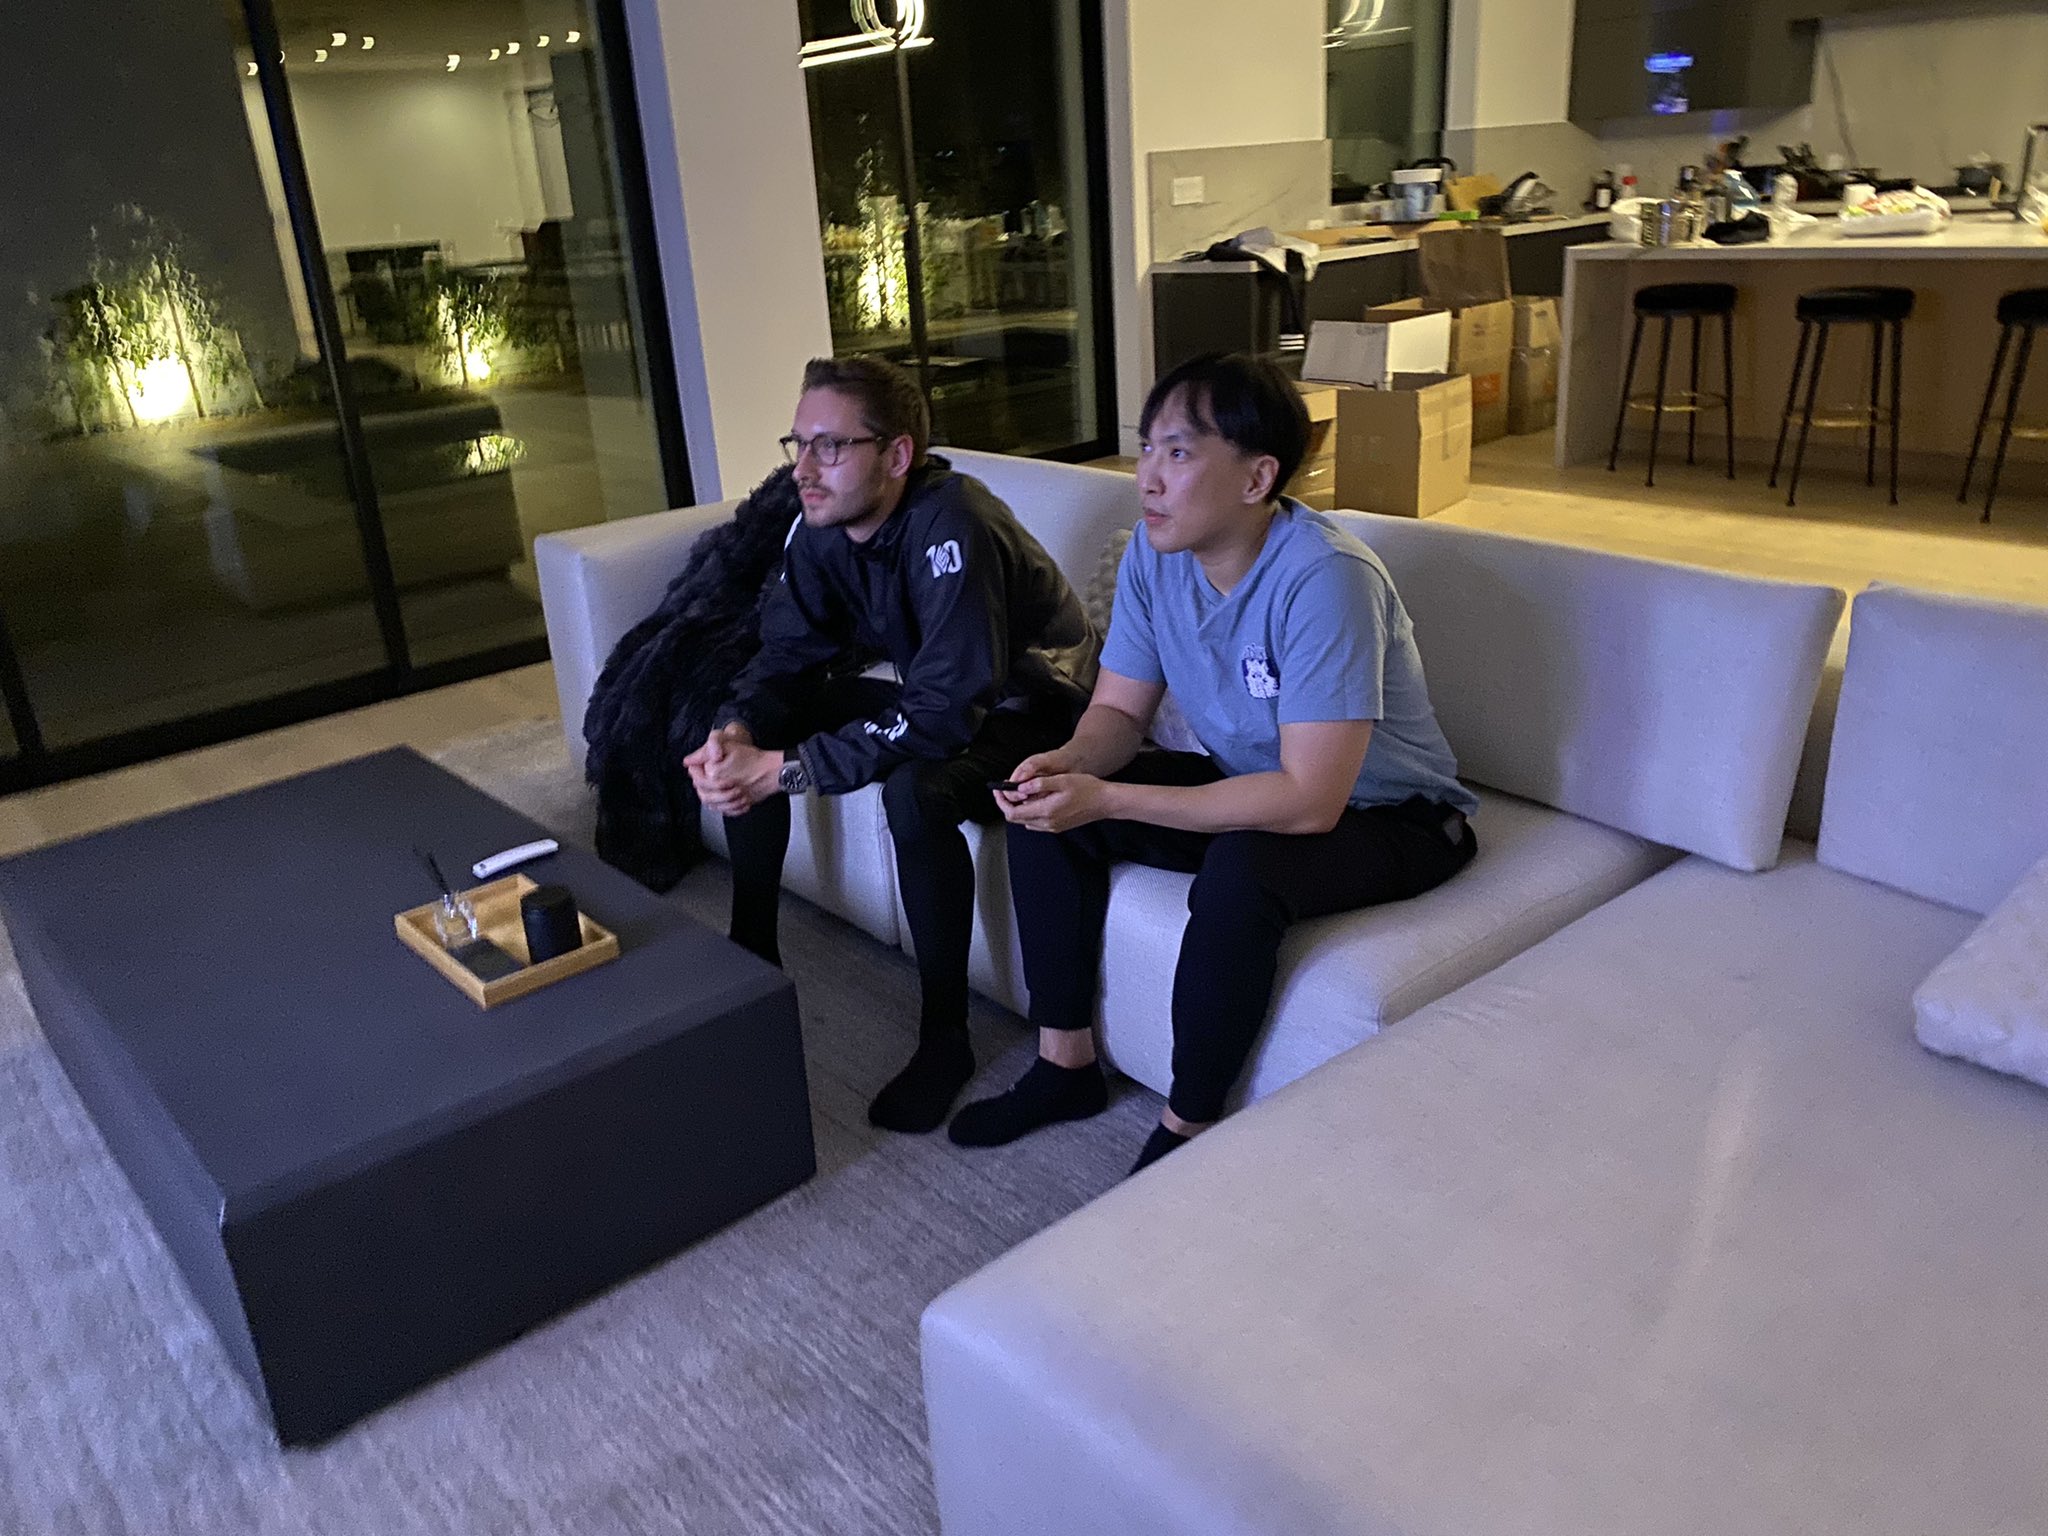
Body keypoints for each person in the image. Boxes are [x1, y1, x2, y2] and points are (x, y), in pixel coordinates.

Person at [948, 352, 1479, 1173]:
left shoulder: (1325, 578)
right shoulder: (1153, 555)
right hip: (1254, 783)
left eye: (1179, 452)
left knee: (1241, 871)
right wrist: (1070, 765)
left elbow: (1309, 801)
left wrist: (1111, 799)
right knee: (1046, 809)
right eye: (1147, 448)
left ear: (1258, 477)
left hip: (1396, 818)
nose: (1147, 477)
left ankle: (1189, 1128)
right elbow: (1119, 713)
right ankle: (1065, 1067)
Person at [686, 356, 1097, 1134]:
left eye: (830, 446)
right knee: (761, 726)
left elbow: (943, 713)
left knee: (916, 792)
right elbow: (785, 657)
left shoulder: (955, 522)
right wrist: (737, 733)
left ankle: (946, 1037)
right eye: (798, 444)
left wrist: (786, 773)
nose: (804, 469)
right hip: (946, 695)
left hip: (1040, 709)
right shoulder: (821, 523)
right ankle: (753, 957)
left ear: (898, 453)